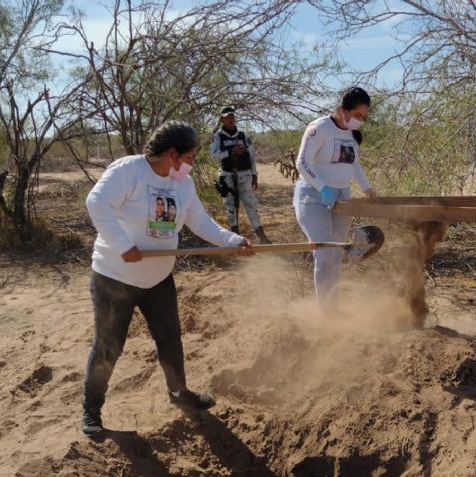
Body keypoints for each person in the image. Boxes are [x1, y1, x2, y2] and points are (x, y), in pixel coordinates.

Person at [82, 121, 254, 438]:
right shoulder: (129, 171)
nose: (191, 163)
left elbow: (200, 221)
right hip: (114, 278)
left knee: (170, 340)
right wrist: (123, 245)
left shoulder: (183, 184)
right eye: (189, 156)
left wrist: (232, 241)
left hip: (158, 278)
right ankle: (91, 410)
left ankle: (179, 393)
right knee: (109, 346)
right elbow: (96, 203)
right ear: (172, 154)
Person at [294, 87, 376, 301]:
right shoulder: (319, 128)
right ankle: (324, 309)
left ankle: (332, 302)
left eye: (363, 116)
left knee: (337, 253)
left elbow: (354, 165)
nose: (360, 120)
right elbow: (302, 163)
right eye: (357, 115)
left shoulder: (351, 135)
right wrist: (322, 187)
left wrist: (367, 188)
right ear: (342, 110)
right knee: (324, 253)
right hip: (313, 197)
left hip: (342, 197)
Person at [210, 106, 271, 244]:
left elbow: (252, 156)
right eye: (227, 117)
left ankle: (262, 237)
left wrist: (254, 175)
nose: (230, 119)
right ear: (221, 120)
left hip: (245, 175)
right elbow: (213, 156)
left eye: (232, 116)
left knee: (251, 205)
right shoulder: (217, 137)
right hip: (227, 175)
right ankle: (235, 238)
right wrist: (231, 152)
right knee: (231, 208)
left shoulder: (243, 135)